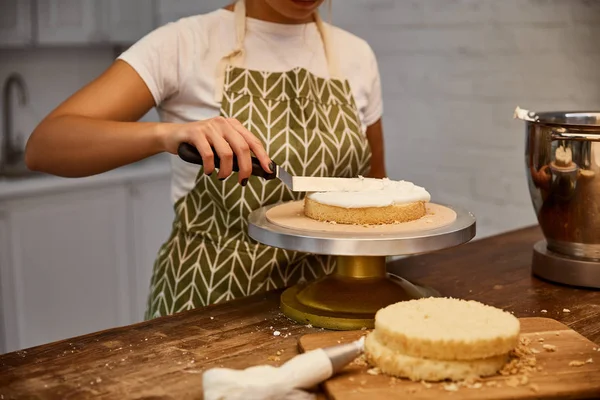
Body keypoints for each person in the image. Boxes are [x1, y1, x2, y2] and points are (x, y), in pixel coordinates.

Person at [25, 0, 386, 319]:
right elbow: (46, 146)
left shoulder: (356, 55)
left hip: (329, 301)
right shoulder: (184, 43)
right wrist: (165, 135)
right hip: (208, 302)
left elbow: (375, 194)